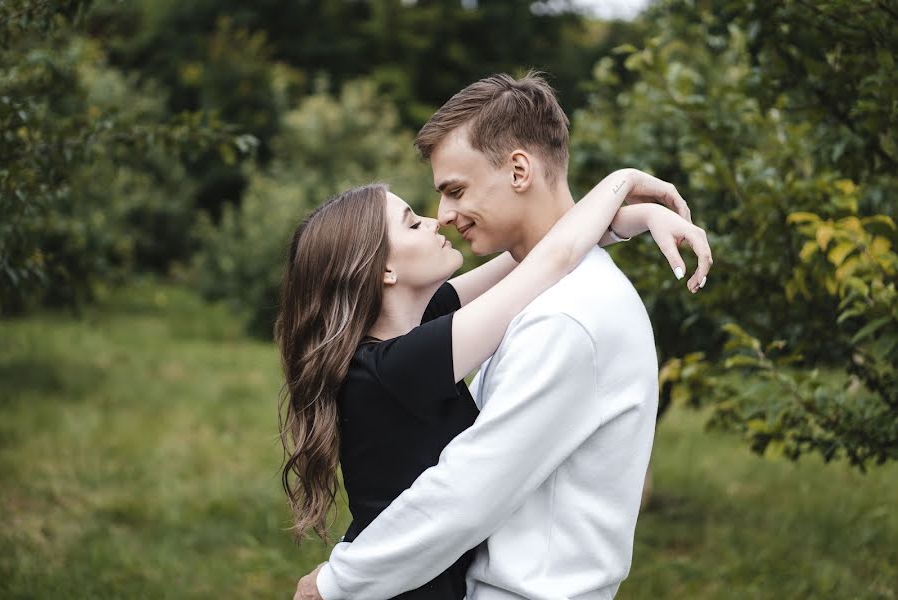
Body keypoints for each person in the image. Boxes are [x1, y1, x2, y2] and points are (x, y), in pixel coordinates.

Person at [291, 73, 712, 600]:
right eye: (417, 218)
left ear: (518, 170)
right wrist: (625, 187)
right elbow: (547, 258)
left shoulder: (565, 317)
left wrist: (633, 211)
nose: (440, 218)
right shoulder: (415, 351)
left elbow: (466, 494)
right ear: (383, 272)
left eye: (455, 190)